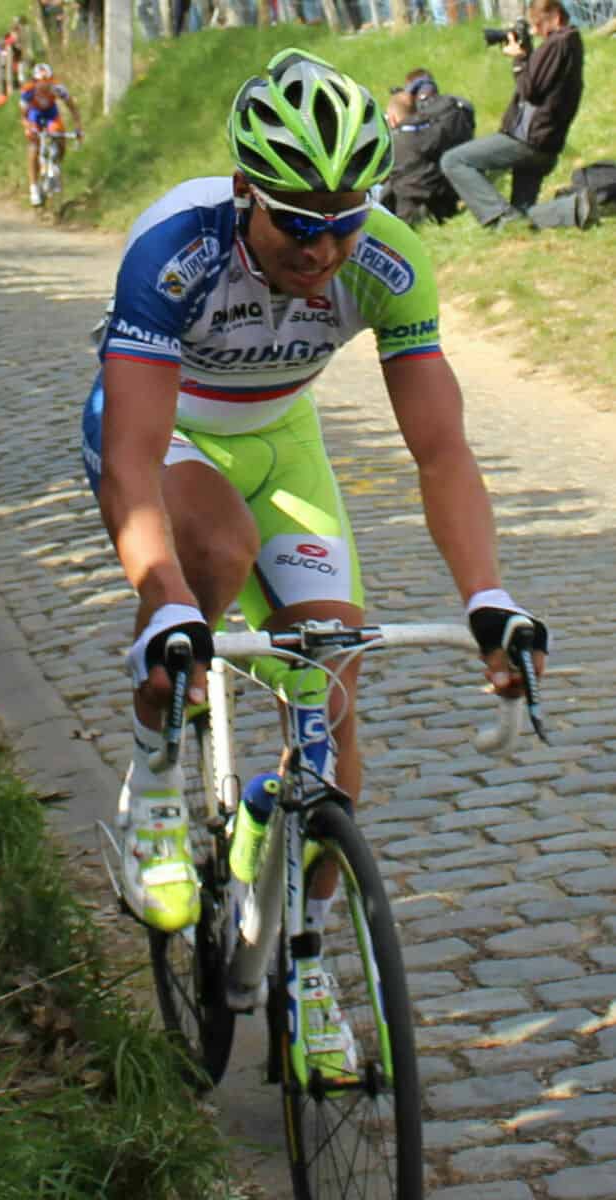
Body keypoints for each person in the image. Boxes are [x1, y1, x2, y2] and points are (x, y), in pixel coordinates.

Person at [80, 49, 548, 1076]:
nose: (323, 249)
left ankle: (304, 958)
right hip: (168, 436)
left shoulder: (385, 260)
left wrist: (488, 597)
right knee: (212, 555)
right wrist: (164, 599)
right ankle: (155, 770)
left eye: (345, 221)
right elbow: (129, 458)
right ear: (245, 191)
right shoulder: (176, 249)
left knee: (332, 695)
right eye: (298, 223)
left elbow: (441, 450)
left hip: (281, 440)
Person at [440, 0, 584, 230]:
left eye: (538, 24)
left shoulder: (558, 43)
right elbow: (541, 83)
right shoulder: (569, 44)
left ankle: (501, 218)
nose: (535, 30)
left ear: (556, 17)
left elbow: (530, 91)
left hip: (529, 142)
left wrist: (520, 59)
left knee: (453, 160)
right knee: (523, 215)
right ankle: (574, 208)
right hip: (544, 144)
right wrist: (528, 55)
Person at [380, 72, 474, 226]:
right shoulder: (436, 131)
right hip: (443, 205)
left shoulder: (395, 143)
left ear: (393, 119)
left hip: (409, 213)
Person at [20, 62, 82, 207]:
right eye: (42, 82)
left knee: (59, 133)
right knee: (34, 145)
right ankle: (33, 187)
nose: (45, 86)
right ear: (35, 82)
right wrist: (28, 128)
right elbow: (23, 115)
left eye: (48, 82)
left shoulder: (58, 88)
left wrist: (78, 127)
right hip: (34, 114)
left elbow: (72, 107)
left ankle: (56, 164)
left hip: (51, 113)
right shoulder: (28, 91)